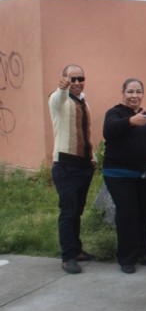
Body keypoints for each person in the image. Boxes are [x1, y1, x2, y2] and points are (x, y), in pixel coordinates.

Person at [102, 78, 146, 274]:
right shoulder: (114, 114)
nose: (134, 96)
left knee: (144, 213)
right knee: (127, 213)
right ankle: (126, 257)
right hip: (119, 174)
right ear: (123, 93)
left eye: (138, 92)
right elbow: (109, 131)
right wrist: (130, 121)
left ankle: (141, 252)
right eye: (130, 92)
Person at [49, 64, 96, 275]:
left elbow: (85, 132)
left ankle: (76, 250)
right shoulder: (58, 99)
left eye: (80, 78)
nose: (77, 82)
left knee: (77, 211)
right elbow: (58, 97)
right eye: (72, 79)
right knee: (68, 212)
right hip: (66, 165)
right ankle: (67, 256)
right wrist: (61, 88)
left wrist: (92, 157)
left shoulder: (84, 102)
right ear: (65, 80)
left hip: (84, 166)